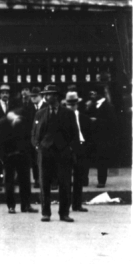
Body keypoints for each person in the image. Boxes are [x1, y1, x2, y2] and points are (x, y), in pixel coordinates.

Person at [32, 84, 80, 223]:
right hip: (45, 152)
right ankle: (46, 213)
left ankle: (64, 213)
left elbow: (74, 134)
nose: (46, 97)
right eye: (45, 94)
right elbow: (34, 132)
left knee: (65, 184)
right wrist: (37, 146)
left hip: (63, 152)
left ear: (57, 96)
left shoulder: (68, 113)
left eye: (49, 94)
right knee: (44, 183)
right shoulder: (40, 113)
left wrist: (71, 150)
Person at [0, 106, 33, 214]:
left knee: (25, 181)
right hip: (9, 156)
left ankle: (26, 205)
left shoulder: (23, 121)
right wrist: (4, 158)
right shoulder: (2, 123)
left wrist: (28, 154)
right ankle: (11, 206)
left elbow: (28, 138)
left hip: (22, 154)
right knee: (9, 182)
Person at [86, 84, 117, 188]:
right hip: (92, 136)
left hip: (103, 138)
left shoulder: (108, 106)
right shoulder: (93, 105)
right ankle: (84, 180)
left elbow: (112, 123)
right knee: (87, 158)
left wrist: (97, 121)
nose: (92, 96)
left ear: (99, 94)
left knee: (101, 160)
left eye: (93, 94)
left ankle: (101, 181)